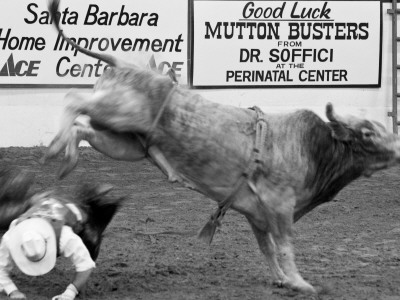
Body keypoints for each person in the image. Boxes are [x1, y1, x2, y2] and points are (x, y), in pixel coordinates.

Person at [0, 193, 97, 300]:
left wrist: (70, 292)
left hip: (71, 208)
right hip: (43, 204)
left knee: (90, 239)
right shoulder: (11, 236)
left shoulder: (66, 236)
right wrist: (12, 291)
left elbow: (86, 264)